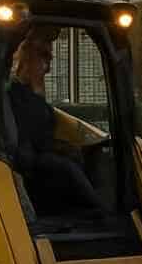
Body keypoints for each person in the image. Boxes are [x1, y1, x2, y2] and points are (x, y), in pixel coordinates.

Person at [7, 27, 107, 214]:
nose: (48, 68)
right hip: (24, 159)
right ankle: (98, 210)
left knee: (93, 156)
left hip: (37, 153)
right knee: (64, 167)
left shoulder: (32, 95)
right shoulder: (14, 94)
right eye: (44, 58)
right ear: (28, 58)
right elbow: (34, 134)